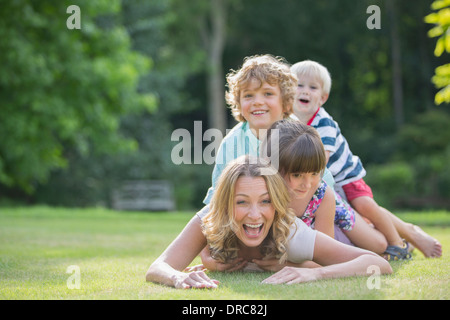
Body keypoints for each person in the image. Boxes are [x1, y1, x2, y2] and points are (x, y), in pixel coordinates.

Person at [145, 157, 392, 288]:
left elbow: (377, 263)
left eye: (265, 201)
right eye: (242, 202)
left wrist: (315, 274)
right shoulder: (209, 218)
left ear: (276, 204)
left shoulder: (291, 232)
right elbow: (158, 268)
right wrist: (177, 278)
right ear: (223, 205)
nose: (255, 215)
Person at [290, 59, 442, 259]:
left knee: (365, 207)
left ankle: (398, 245)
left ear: (323, 98)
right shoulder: (291, 122)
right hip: (328, 184)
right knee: (363, 221)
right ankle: (406, 234)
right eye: (299, 85)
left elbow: (320, 162)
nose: (305, 91)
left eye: (312, 87)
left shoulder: (323, 122)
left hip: (347, 178)